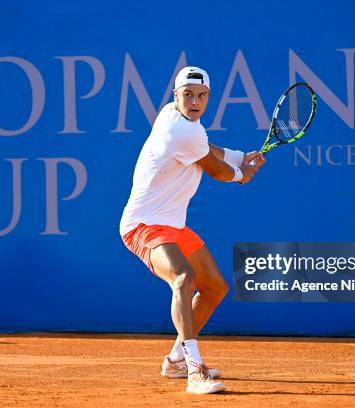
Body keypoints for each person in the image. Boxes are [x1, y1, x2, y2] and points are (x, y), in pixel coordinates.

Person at [119, 66, 265, 394]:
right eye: (188, 94)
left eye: (201, 96)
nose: (194, 101)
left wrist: (242, 156)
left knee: (214, 287)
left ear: (208, 98)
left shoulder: (180, 121)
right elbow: (214, 169)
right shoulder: (180, 130)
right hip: (143, 225)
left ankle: (175, 361)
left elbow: (206, 148)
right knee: (184, 278)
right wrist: (243, 174)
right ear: (176, 96)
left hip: (172, 224)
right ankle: (195, 371)